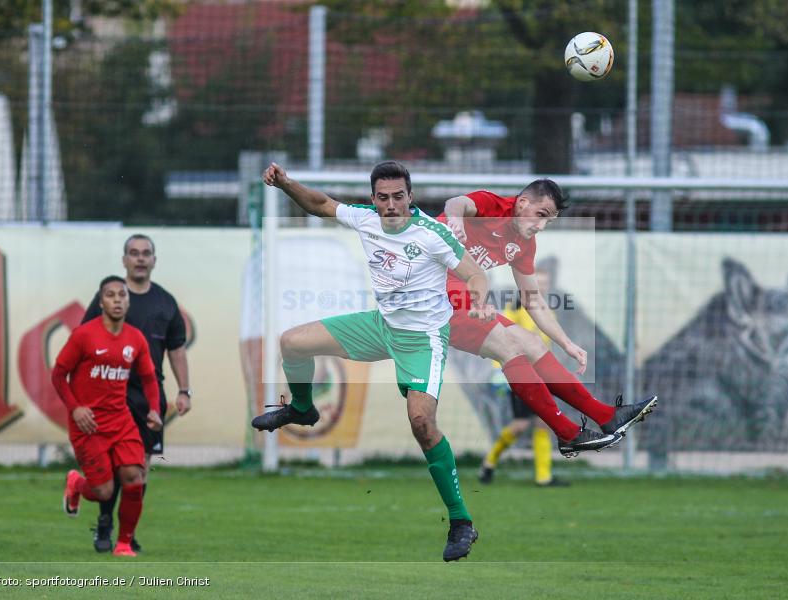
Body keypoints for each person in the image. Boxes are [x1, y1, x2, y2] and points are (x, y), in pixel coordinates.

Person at [252, 160, 494, 562]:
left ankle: (461, 522)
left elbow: (476, 275)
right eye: (384, 197)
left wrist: (482, 302)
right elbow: (320, 204)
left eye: (399, 196)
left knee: (422, 423)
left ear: (410, 197)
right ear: (374, 200)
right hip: (381, 327)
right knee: (291, 343)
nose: (392, 204)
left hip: (423, 340)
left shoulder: (432, 234)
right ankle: (301, 408)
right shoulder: (365, 219)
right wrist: (286, 184)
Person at [438, 181, 657, 458]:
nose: (541, 226)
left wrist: (566, 343)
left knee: (530, 342)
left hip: (459, 301)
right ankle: (567, 432)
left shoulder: (524, 243)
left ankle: (605, 416)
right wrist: (456, 219)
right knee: (510, 346)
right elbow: (456, 202)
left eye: (548, 221)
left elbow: (533, 299)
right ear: (522, 203)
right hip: (431, 295)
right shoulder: (493, 205)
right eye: (541, 215)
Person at [82, 234, 190, 553]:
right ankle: (105, 524)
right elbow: (84, 339)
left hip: (148, 397)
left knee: (139, 470)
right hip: (110, 394)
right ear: (124, 261)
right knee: (114, 468)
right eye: (133, 253)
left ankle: (127, 535)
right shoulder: (109, 298)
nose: (140, 258)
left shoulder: (166, 303)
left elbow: (177, 350)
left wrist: (184, 390)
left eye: (146, 253)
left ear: (154, 260)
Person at [52, 276, 163, 557]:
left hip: (121, 421)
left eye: (121, 295)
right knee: (103, 492)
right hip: (87, 425)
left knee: (134, 476)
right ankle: (76, 483)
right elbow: (58, 375)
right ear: (101, 302)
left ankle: (124, 543)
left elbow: (150, 378)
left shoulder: (135, 338)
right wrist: (75, 408)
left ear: (128, 301)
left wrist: (153, 409)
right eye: (110, 295)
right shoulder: (83, 335)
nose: (117, 300)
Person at [479, 259, 568, 487]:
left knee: (542, 423)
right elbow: (503, 337)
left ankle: (543, 477)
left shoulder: (547, 308)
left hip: (541, 374)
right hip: (520, 373)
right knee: (520, 425)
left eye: (545, 284)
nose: (541, 287)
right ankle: (489, 461)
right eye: (537, 283)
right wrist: (500, 371)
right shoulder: (517, 306)